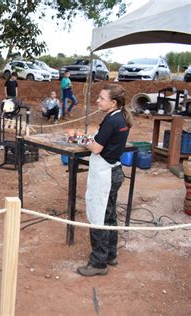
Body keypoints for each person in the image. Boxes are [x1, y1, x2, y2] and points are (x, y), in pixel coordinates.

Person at [77, 84, 133, 277]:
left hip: (105, 174)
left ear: (113, 102)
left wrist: (83, 140)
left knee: (97, 215)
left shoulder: (111, 121)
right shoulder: (119, 118)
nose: (98, 101)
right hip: (114, 171)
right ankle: (111, 254)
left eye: (102, 98)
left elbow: (97, 148)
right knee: (109, 215)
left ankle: (98, 262)